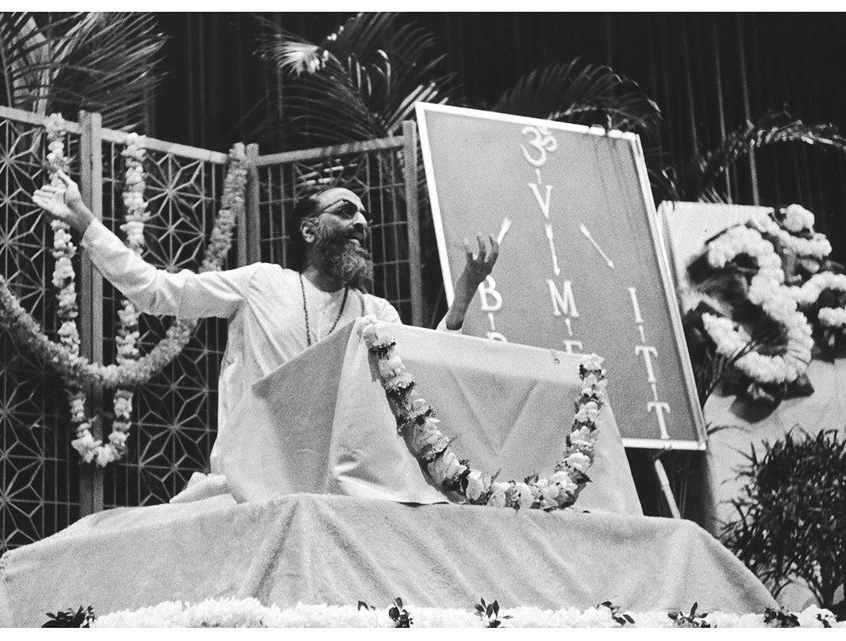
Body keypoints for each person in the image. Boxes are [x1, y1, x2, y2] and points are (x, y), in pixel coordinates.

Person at [33, 171, 499, 481]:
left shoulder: (376, 314)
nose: (361, 224)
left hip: (339, 485)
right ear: (309, 231)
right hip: (254, 481)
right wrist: (86, 223)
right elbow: (157, 291)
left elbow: (427, 384)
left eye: (365, 216)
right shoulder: (260, 284)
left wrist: (459, 303)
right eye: (346, 211)